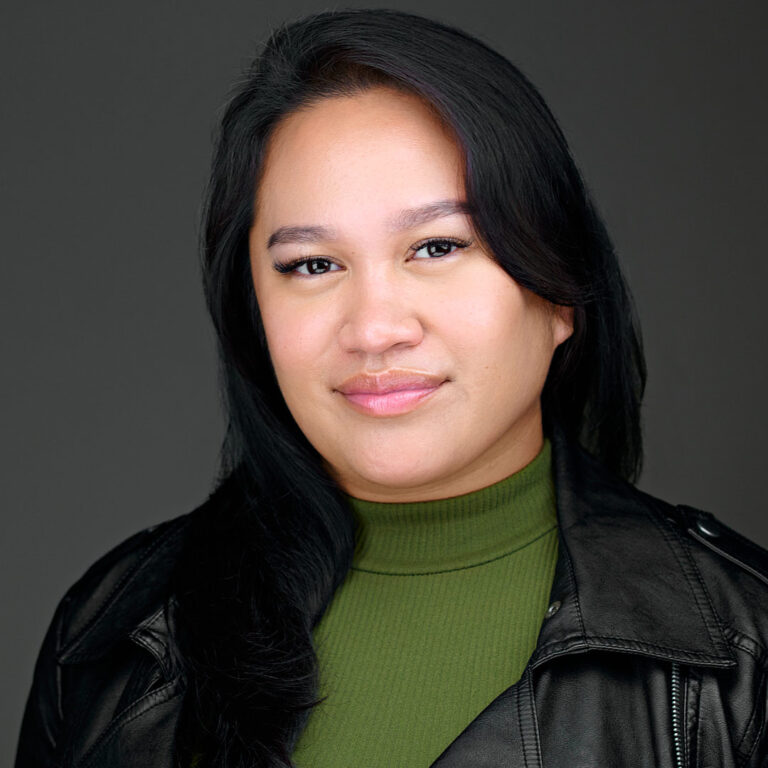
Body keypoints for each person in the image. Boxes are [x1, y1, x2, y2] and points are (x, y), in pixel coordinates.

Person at [14, 8, 768, 768]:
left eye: (437, 247)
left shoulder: (743, 653)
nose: (374, 329)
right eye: (313, 265)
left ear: (558, 292)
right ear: (253, 308)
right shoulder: (115, 631)